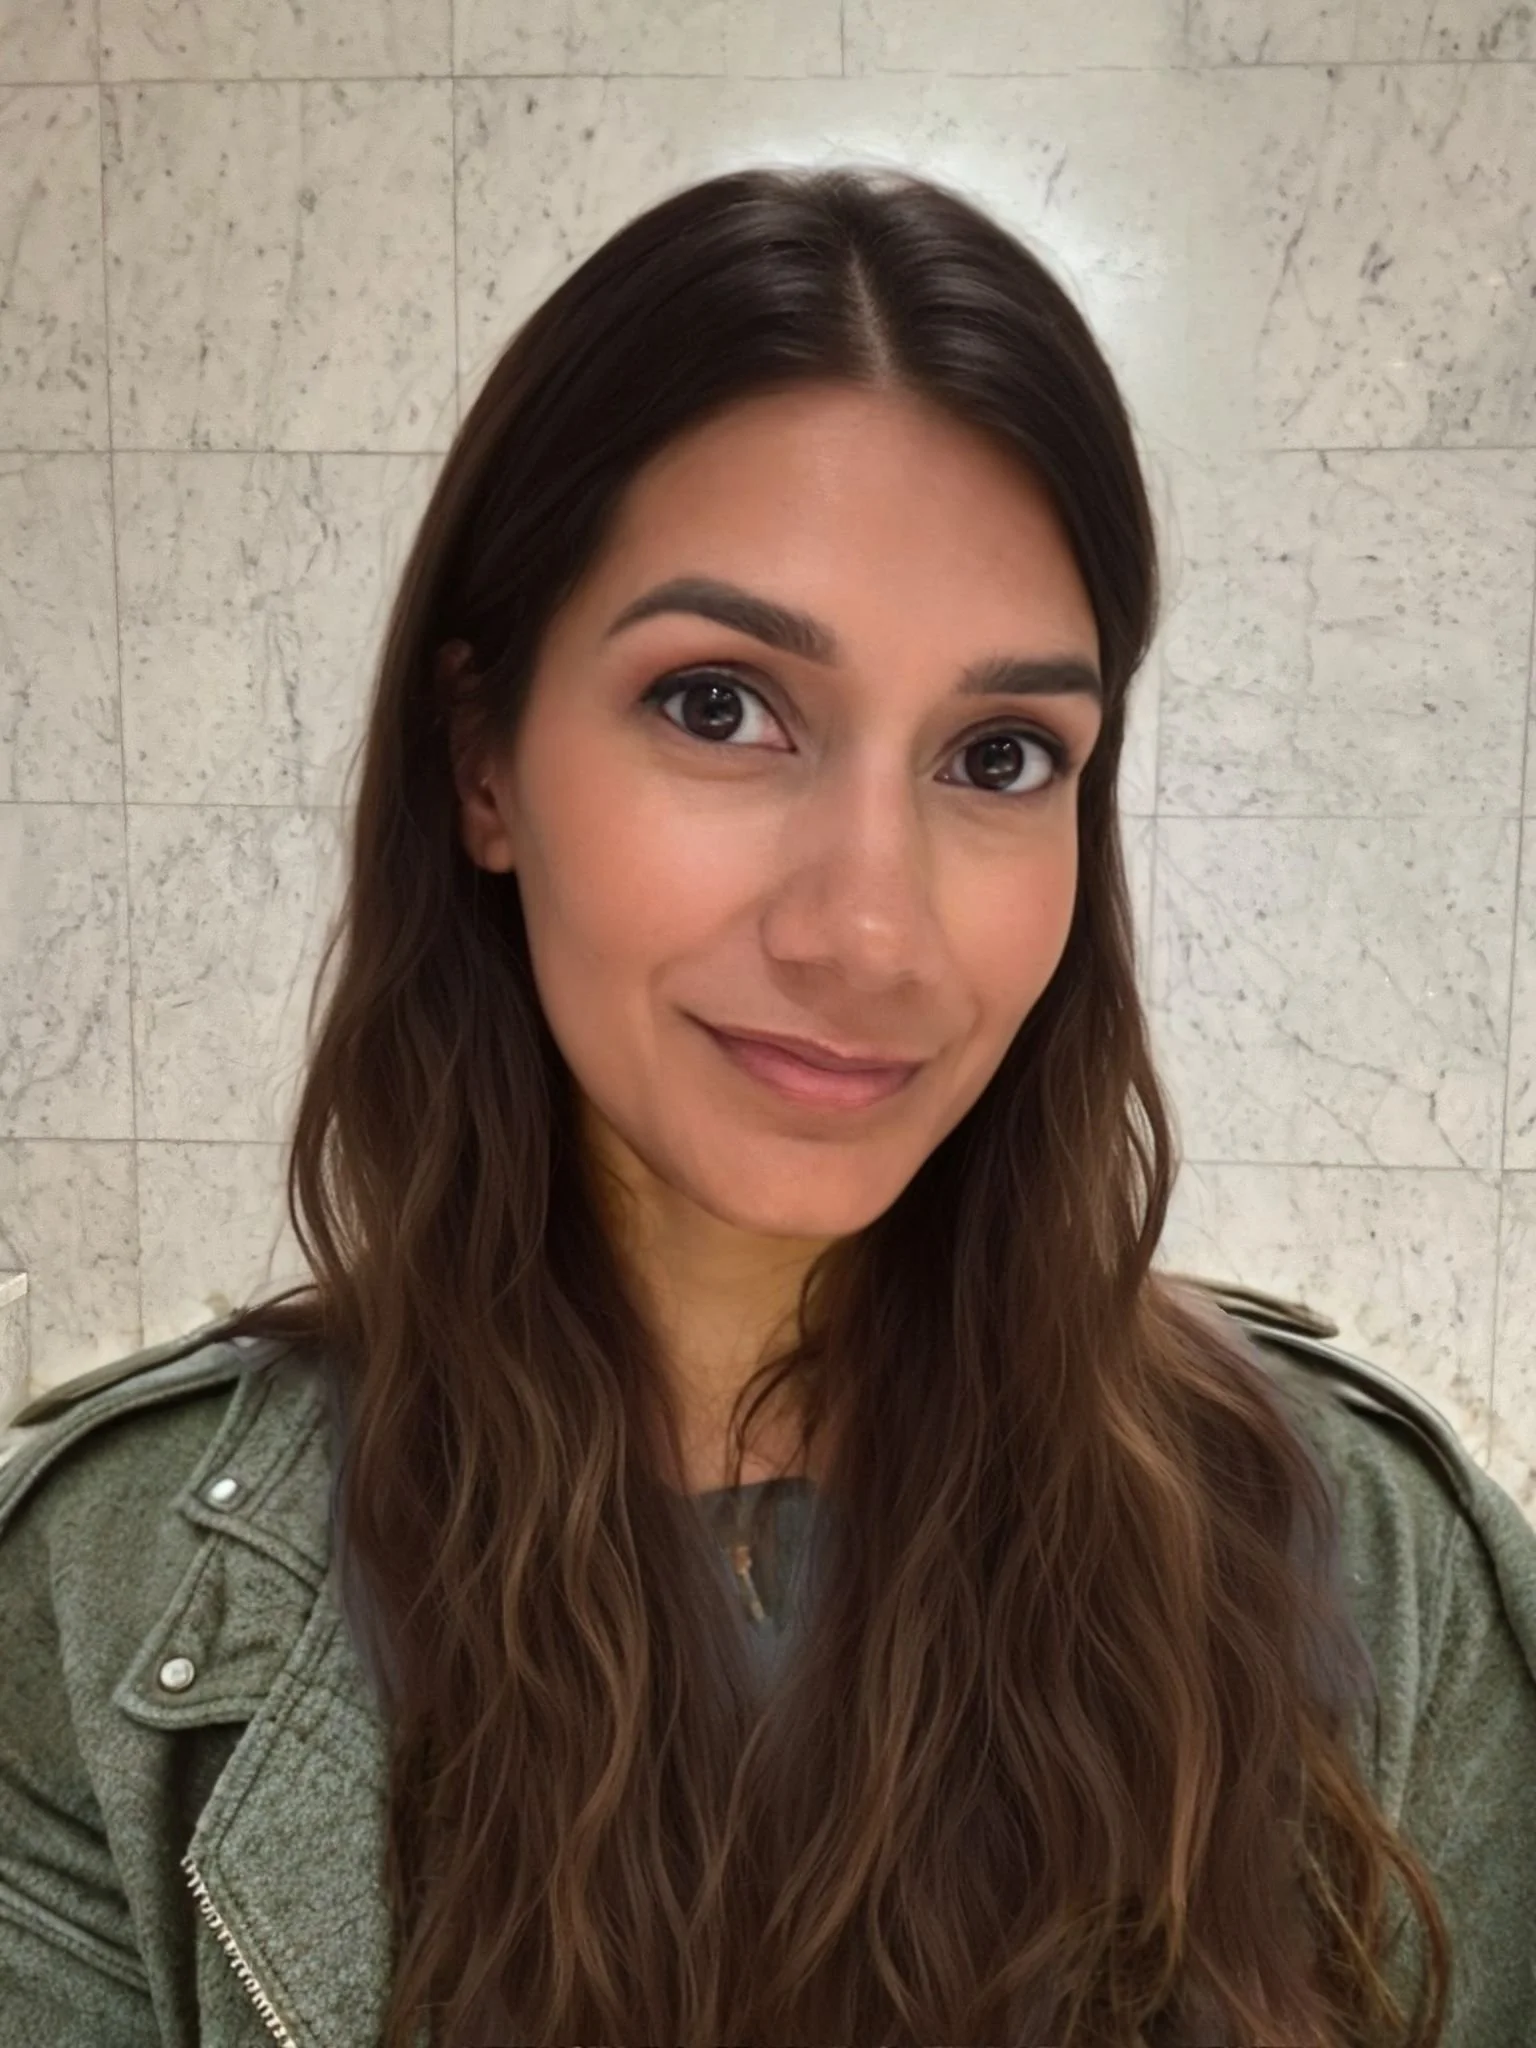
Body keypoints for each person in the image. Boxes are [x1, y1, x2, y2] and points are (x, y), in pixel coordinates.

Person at [2, 161, 1534, 2048]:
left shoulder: (1377, 1566)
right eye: (721, 706)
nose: (871, 930)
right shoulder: (102, 1600)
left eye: (1000, 755)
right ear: (483, 757)